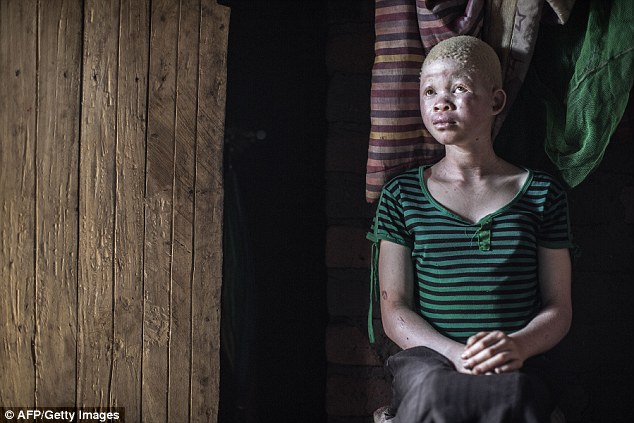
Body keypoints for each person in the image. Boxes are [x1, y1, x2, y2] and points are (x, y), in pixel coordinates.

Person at [367, 36, 574, 422]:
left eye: (458, 88)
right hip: (429, 359)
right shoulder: (402, 195)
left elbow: (558, 308)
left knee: (512, 396)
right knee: (436, 393)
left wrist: (516, 346)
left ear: (496, 102)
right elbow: (394, 309)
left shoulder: (542, 194)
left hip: (516, 359)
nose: (441, 101)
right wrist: (454, 354)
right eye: (429, 91)